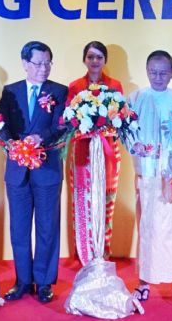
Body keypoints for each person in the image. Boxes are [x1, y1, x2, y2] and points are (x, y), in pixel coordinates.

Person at [0, 41, 67, 303]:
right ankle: (23, 280)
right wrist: (10, 142)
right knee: (19, 228)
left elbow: (63, 125)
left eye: (48, 62)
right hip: (17, 170)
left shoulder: (59, 91)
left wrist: (42, 137)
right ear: (25, 63)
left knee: (48, 227)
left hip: (47, 168)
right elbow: (0, 124)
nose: (44, 68)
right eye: (38, 63)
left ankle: (45, 281)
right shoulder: (10, 91)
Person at [128, 50, 172, 303]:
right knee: (147, 225)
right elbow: (128, 130)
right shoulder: (135, 97)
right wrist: (135, 146)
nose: (158, 77)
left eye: (163, 72)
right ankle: (143, 282)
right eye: (153, 72)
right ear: (147, 71)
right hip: (147, 171)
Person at [67, 41, 124, 264]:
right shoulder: (74, 86)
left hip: (108, 150)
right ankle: (84, 256)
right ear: (84, 59)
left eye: (99, 57)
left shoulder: (115, 85)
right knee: (82, 203)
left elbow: (120, 118)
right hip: (82, 151)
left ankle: (103, 253)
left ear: (105, 60)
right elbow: (69, 120)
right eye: (90, 57)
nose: (94, 61)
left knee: (105, 202)